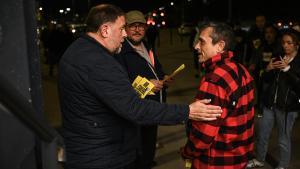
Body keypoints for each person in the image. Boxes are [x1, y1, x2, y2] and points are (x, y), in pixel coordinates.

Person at [58, 4, 222, 169]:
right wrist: (187, 111)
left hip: (91, 148)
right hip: (102, 156)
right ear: (105, 30)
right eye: (122, 28)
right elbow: (133, 108)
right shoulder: (99, 62)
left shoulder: (80, 49)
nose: (125, 34)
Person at [180, 22, 255, 169]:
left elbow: (204, 134)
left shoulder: (214, 80)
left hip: (216, 161)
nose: (196, 47)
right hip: (239, 158)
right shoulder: (242, 70)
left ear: (220, 46)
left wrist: (187, 152)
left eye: (201, 42)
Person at [114, 10, 170, 169]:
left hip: (153, 105)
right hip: (136, 108)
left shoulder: (147, 46)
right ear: (125, 28)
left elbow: (156, 69)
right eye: (133, 26)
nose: (138, 29)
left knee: (150, 141)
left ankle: (147, 160)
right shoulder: (120, 50)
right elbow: (121, 84)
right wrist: (147, 83)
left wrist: (164, 77)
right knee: (137, 147)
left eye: (141, 26)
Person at [247, 29, 300, 169]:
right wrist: (268, 70)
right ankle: (259, 159)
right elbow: (266, 80)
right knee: (263, 134)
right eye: (283, 43)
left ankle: (282, 165)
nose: (286, 46)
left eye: (289, 43)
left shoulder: (298, 62)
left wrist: (288, 70)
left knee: (283, 139)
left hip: (287, 107)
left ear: (297, 45)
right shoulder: (278, 57)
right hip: (270, 104)